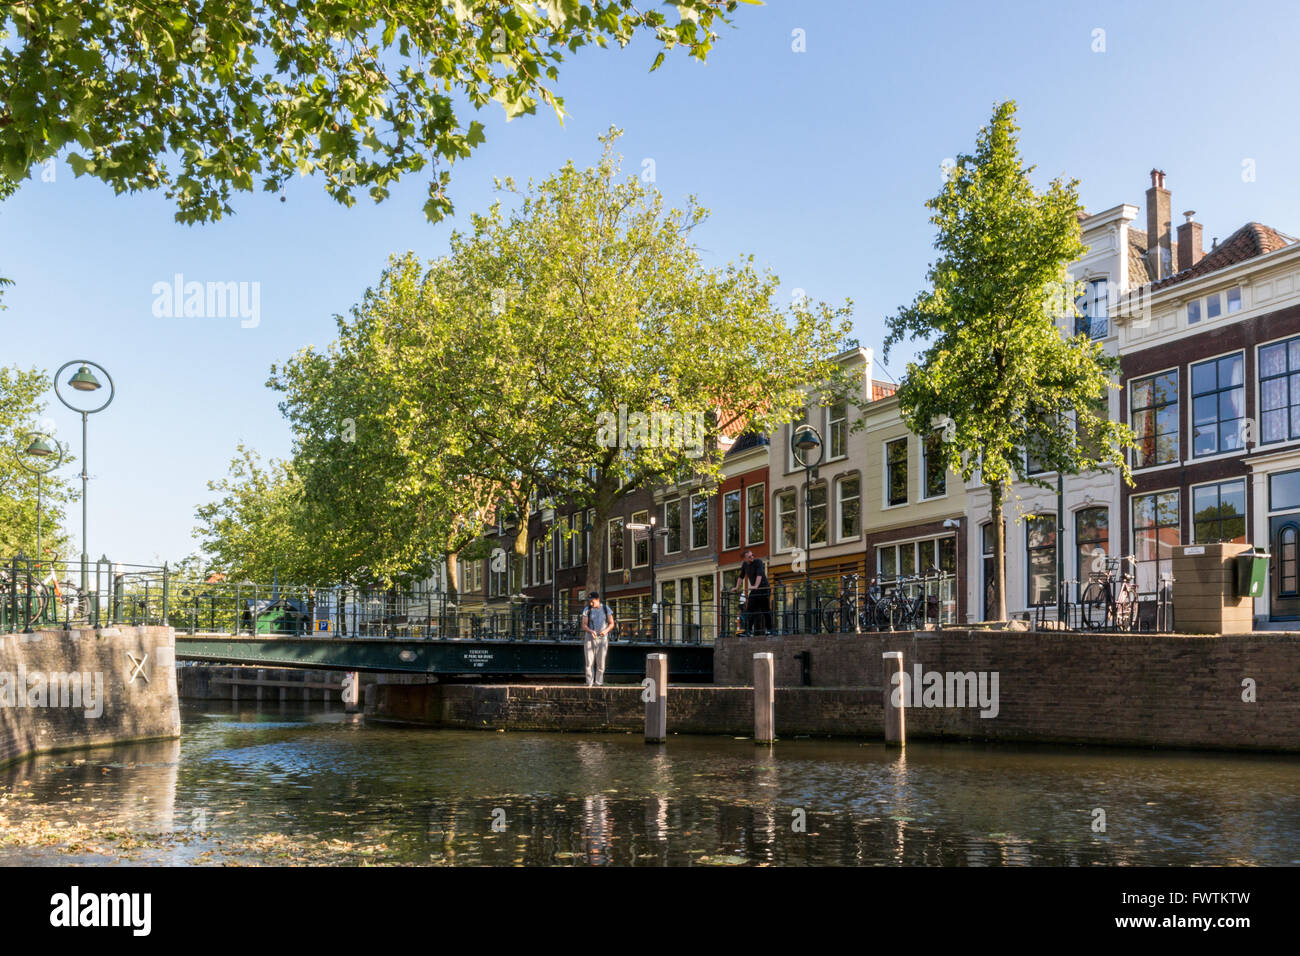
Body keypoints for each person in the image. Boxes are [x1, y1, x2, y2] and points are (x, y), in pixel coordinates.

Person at [580, 592, 615, 686]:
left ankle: (598, 683)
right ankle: (589, 683)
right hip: (589, 638)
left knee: (601, 662)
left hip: (602, 638)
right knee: (589, 662)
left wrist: (606, 631)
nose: (590, 603)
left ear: (598, 599)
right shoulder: (587, 609)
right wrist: (591, 631)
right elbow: (584, 624)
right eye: (589, 601)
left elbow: (611, 623)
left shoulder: (606, 609)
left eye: (592, 601)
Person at [733, 550, 772, 635]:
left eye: (752, 555)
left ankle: (770, 630)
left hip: (764, 588)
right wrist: (736, 587)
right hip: (755, 589)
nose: (752, 557)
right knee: (749, 610)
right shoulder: (744, 564)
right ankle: (748, 631)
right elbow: (741, 576)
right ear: (745, 558)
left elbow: (759, 574)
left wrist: (756, 586)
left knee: (766, 610)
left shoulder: (758, 562)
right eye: (749, 557)